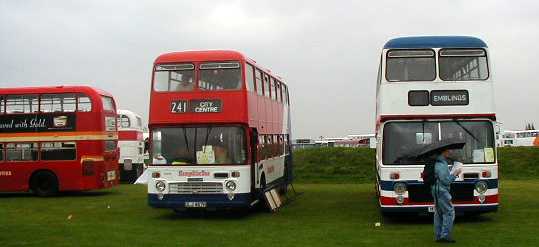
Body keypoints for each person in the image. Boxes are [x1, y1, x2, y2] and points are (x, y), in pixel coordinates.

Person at [432, 148, 462, 243]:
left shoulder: (437, 162)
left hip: (436, 190)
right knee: (449, 212)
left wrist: (449, 171)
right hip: (442, 191)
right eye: (448, 150)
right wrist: (455, 174)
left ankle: (438, 236)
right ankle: (445, 236)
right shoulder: (441, 164)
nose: (450, 152)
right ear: (443, 152)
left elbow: (441, 177)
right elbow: (446, 181)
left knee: (439, 214)